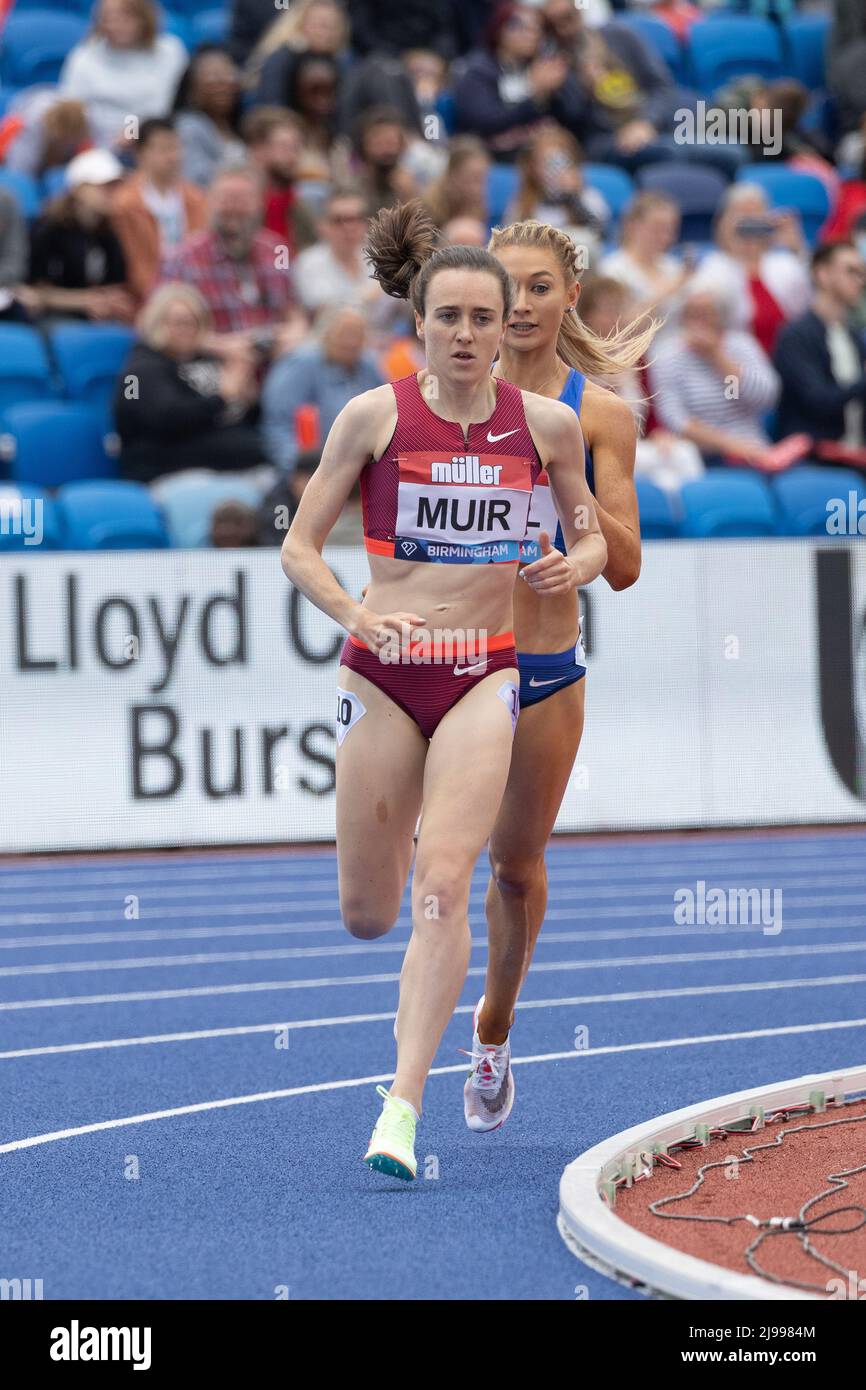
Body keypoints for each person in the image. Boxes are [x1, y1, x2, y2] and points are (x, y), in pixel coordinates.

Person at [280, 200, 607, 1179]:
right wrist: (358, 613)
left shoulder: (545, 426)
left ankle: (402, 1104)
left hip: (482, 672)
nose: (463, 334)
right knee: (368, 912)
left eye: (480, 318)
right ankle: (403, 1054)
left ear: (504, 327)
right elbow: (298, 549)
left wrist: (571, 566)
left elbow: (588, 530)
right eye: (446, 318)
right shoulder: (373, 415)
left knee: (443, 884)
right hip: (383, 678)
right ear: (417, 325)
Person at [464, 219, 647, 1127]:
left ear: (569, 296)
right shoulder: (444, 397)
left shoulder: (600, 413)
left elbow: (624, 564)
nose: (524, 305)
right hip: (449, 662)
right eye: (510, 289)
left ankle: (493, 1027)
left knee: (515, 867)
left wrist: (563, 471)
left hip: (542, 665)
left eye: (541, 287)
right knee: (427, 867)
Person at [114, 282, 263, 484]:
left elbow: (241, 420)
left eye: (193, 322)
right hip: (171, 472)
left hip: (237, 465)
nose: (187, 330)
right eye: (179, 323)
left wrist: (249, 399)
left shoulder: (207, 359)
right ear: (156, 322)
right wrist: (223, 397)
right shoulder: (141, 371)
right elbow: (168, 419)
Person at [648, 284, 787, 469]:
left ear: (721, 317)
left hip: (754, 448)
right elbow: (675, 420)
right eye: (693, 314)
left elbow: (766, 398)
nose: (700, 321)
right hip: (701, 456)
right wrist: (731, 445)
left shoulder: (741, 345)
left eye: (707, 313)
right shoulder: (668, 357)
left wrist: (717, 358)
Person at [453, 2, 610, 163]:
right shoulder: (477, 71)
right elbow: (482, 123)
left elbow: (576, 118)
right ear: (501, 30)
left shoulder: (543, 65)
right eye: (523, 27)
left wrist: (567, 89)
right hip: (495, 156)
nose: (532, 35)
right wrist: (534, 95)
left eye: (537, 29)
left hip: (546, 153)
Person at [158, 163, 296, 339]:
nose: (234, 208)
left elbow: (293, 310)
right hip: (210, 359)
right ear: (209, 202)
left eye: (243, 200)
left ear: (260, 204)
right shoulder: (181, 257)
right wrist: (225, 348)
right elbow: (158, 327)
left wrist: (292, 334)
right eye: (227, 199)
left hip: (277, 357)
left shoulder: (278, 250)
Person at [690, 184, 811, 357]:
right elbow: (711, 312)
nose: (750, 221)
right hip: (734, 363)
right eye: (742, 213)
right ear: (724, 220)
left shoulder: (785, 263)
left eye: (756, 213)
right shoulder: (713, 266)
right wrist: (736, 248)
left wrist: (796, 248)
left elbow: (811, 306)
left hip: (788, 360)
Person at [261, 305, 384, 474]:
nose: (352, 342)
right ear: (325, 334)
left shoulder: (368, 366)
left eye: (359, 335)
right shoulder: (301, 364)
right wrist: (302, 472)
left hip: (360, 469)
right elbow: (279, 427)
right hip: (312, 470)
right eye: (345, 334)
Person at [774, 240, 866, 457]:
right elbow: (818, 401)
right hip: (815, 458)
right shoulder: (795, 336)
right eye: (851, 271)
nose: (860, 281)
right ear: (822, 275)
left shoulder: (853, 336)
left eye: (862, 272)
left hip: (855, 455)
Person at [58, 0, 187, 149]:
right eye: (108, 18)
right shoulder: (84, 56)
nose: (115, 24)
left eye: (125, 17)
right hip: (98, 140)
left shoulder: (169, 50)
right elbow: (72, 105)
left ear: (144, 17)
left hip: (155, 138)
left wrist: (132, 129)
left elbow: (163, 104)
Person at [27, 149, 134, 323]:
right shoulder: (49, 229)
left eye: (115, 186)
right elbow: (35, 289)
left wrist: (110, 301)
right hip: (54, 316)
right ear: (78, 189)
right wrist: (85, 301)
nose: (112, 192)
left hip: (95, 315)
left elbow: (115, 283)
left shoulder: (110, 231)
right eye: (104, 186)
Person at [111, 117, 207, 307]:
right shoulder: (124, 204)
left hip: (194, 293)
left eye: (177, 148)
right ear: (140, 153)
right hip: (148, 297)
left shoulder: (196, 198)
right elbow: (134, 266)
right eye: (164, 149)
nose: (174, 157)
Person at [241, 108, 320, 256]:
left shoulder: (300, 207)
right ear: (257, 150)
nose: (293, 156)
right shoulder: (240, 206)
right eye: (284, 147)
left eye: (296, 148)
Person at [172, 46, 246, 189]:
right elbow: (195, 181)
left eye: (228, 75)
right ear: (192, 88)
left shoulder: (237, 126)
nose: (222, 84)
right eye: (213, 77)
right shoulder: (188, 128)